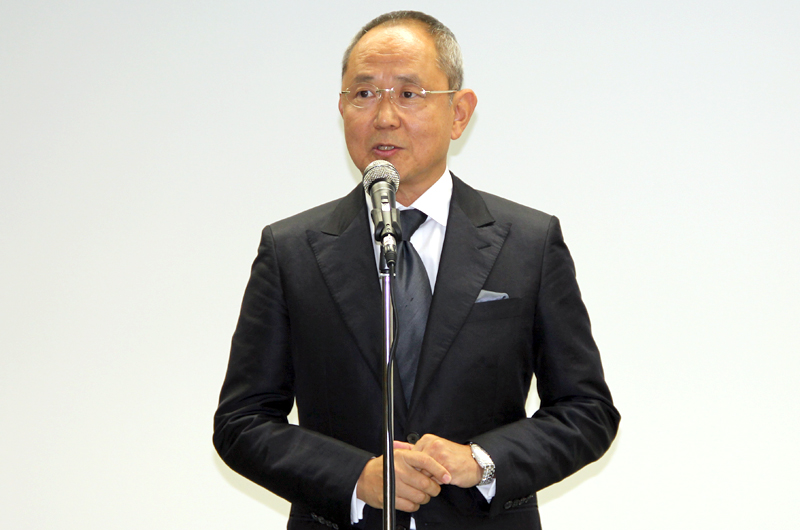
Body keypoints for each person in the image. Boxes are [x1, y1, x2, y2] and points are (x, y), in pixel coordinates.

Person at [214, 10, 620, 530]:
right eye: (363, 94)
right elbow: (242, 422)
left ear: (459, 112)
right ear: (341, 108)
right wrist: (356, 477)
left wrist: (480, 462)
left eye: (409, 94)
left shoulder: (529, 242)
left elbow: (587, 411)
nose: (384, 117)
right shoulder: (291, 250)